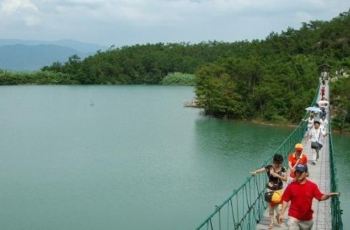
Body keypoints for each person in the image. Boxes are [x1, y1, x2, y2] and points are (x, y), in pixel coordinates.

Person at [278, 164, 340, 229]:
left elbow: (320, 197)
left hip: (307, 219)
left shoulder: (312, 186)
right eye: (297, 172)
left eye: (301, 172)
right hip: (293, 217)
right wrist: (282, 213)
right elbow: (285, 199)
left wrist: (328, 195)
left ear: (306, 173)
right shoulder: (291, 186)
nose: (298, 174)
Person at [250, 154, 287, 229]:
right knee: (271, 206)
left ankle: (277, 216)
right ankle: (271, 223)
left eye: (279, 163)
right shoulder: (269, 167)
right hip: (270, 190)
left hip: (279, 190)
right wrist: (255, 172)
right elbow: (262, 170)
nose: (277, 164)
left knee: (277, 207)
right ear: (274, 161)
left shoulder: (283, 169)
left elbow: (285, 179)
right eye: (276, 163)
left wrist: (277, 175)